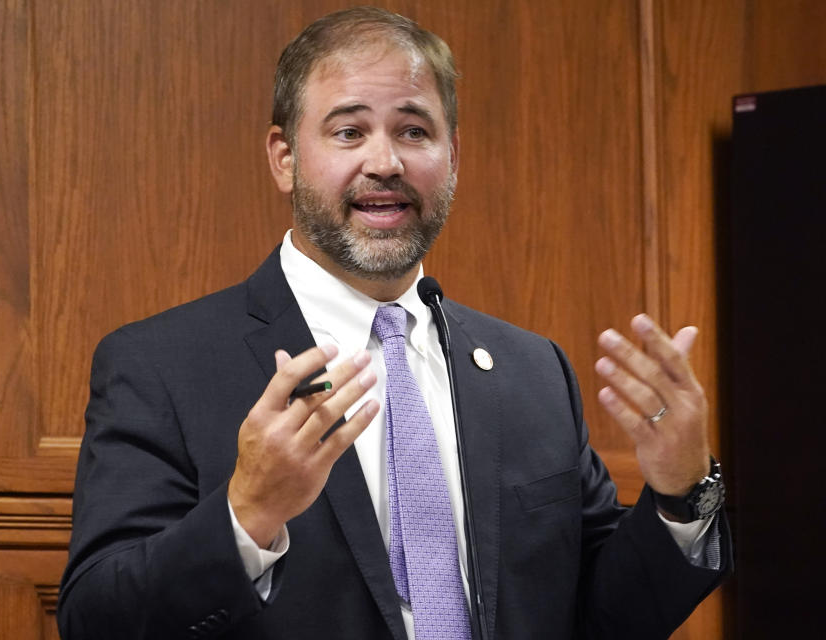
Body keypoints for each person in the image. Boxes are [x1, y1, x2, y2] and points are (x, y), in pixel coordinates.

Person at [57, 7, 730, 640]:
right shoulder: (162, 366)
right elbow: (96, 619)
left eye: (414, 131)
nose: (386, 162)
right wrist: (246, 515)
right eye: (349, 131)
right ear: (284, 157)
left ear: (453, 158)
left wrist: (681, 493)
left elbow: (603, 618)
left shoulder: (533, 371)